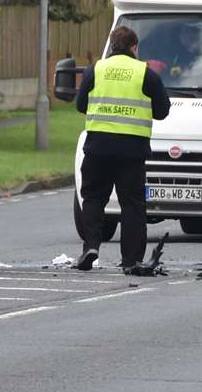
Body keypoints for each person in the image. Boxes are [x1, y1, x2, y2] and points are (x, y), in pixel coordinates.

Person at [73, 25, 171, 271]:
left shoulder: (96, 69)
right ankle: (131, 259)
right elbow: (162, 111)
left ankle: (91, 247)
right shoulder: (145, 73)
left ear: (112, 45)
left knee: (93, 199)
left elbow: (80, 104)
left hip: (97, 148)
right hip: (132, 151)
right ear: (134, 47)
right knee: (132, 205)